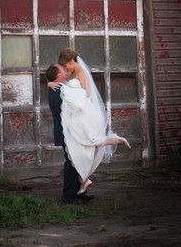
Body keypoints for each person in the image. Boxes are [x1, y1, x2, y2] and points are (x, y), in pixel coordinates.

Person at [50, 47, 131, 196]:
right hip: (74, 114)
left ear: (72, 61)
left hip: (84, 112)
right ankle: (83, 183)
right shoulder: (70, 73)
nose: (65, 68)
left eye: (65, 65)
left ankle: (113, 141)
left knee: (89, 143)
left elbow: (86, 95)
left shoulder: (82, 73)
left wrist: (68, 93)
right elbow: (61, 85)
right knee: (81, 151)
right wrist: (51, 84)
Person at [46, 63, 95, 204]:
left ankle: (78, 192)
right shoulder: (59, 90)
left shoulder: (60, 87)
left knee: (77, 161)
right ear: (58, 75)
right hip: (66, 131)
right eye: (63, 69)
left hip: (70, 131)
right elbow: (81, 98)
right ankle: (68, 196)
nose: (65, 70)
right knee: (71, 162)